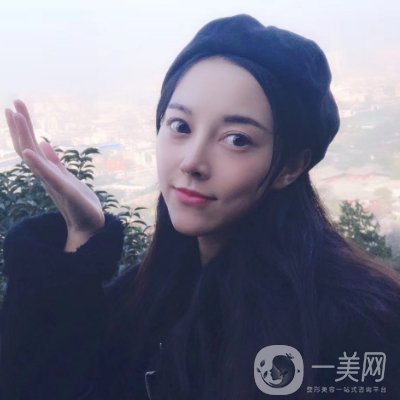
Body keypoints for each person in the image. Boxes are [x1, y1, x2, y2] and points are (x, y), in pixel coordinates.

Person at [0, 14, 399, 400]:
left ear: (290, 167)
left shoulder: (359, 324)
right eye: (180, 126)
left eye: (237, 139)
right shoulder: (146, 295)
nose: (192, 161)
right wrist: (82, 236)